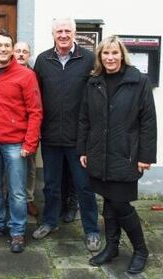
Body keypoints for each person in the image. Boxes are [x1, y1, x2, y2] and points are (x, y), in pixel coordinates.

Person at [77, 36, 157, 274]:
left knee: (121, 203)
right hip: (98, 153)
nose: (110, 58)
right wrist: (83, 149)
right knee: (108, 202)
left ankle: (141, 250)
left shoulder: (138, 81)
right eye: (105, 54)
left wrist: (146, 156)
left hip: (126, 154)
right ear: (100, 57)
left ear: (122, 54)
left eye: (114, 53)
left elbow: (148, 122)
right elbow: (84, 118)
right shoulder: (93, 82)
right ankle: (112, 247)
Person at [32, 18, 101, 252]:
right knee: (51, 185)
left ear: (74, 33)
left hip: (79, 136)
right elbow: (36, 97)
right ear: (52, 33)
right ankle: (49, 222)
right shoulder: (43, 60)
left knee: (84, 186)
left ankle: (92, 230)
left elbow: (96, 96)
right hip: (50, 135)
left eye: (67, 31)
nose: (63, 34)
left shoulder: (88, 59)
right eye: (59, 31)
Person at [0, 33, 43, 253]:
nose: (3, 49)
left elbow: (35, 111)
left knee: (17, 191)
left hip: (15, 143)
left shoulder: (25, 75)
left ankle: (17, 231)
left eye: (7, 45)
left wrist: (29, 143)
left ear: (13, 50)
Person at [13, 41, 38, 217]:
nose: (21, 54)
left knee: (30, 167)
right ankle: (10, 198)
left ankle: (28, 199)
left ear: (29, 55)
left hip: (31, 129)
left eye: (25, 52)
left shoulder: (34, 75)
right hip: (11, 131)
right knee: (10, 168)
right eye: (18, 51)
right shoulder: (5, 72)